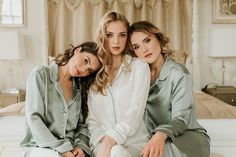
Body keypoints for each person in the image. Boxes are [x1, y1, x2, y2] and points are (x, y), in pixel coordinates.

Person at [129, 21, 210, 157]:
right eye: (137, 47)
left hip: (188, 138)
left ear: (159, 40)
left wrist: (161, 134)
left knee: (156, 152)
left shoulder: (178, 73)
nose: (144, 49)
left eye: (147, 40)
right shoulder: (137, 76)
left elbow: (182, 118)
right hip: (153, 139)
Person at [86, 12, 151, 157]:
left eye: (122, 35)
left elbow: (136, 110)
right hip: (101, 143)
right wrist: (104, 142)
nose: (116, 41)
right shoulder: (94, 70)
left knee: (117, 152)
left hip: (134, 143)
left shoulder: (139, 67)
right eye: (110, 35)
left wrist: (111, 140)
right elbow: (91, 118)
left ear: (127, 37)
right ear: (103, 36)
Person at [20, 41, 101, 157]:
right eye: (86, 60)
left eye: (89, 70)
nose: (83, 70)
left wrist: (80, 146)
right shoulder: (40, 75)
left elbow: (81, 125)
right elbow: (34, 118)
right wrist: (62, 150)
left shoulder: (80, 88)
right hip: (40, 147)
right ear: (77, 50)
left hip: (70, 148)